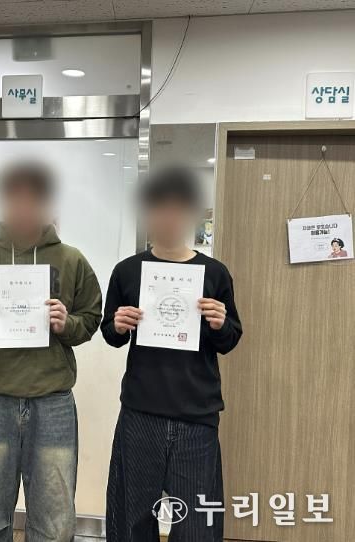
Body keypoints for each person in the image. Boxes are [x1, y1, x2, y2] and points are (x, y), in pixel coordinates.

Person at [0, 161, 102, 542]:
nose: (23, 208)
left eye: (33, 200)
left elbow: (91, 318)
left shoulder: (71, 260)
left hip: (53, 401)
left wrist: (67, 323)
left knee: (54, 519)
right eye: (15, 199)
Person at [101, 166, 243, 541]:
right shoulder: (128, 271)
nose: (168, 216)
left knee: (196, 525)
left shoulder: (214, 273)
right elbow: (110, 334)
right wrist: (118, 325)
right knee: (132, 519)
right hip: (141, 410)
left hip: (197, 414)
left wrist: (219, 323)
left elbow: (230, 339)